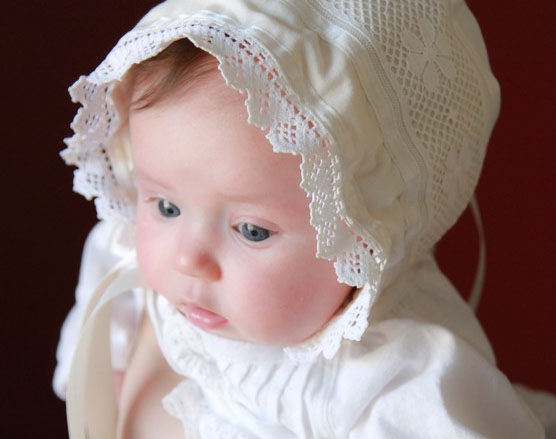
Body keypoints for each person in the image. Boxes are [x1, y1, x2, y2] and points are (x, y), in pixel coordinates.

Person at [53, 0, 556, 437]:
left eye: (252, 230)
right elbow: (91, 384)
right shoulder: (129, 272)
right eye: (166, 206)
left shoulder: (386, 382)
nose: (188, 258)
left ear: (364, 231)